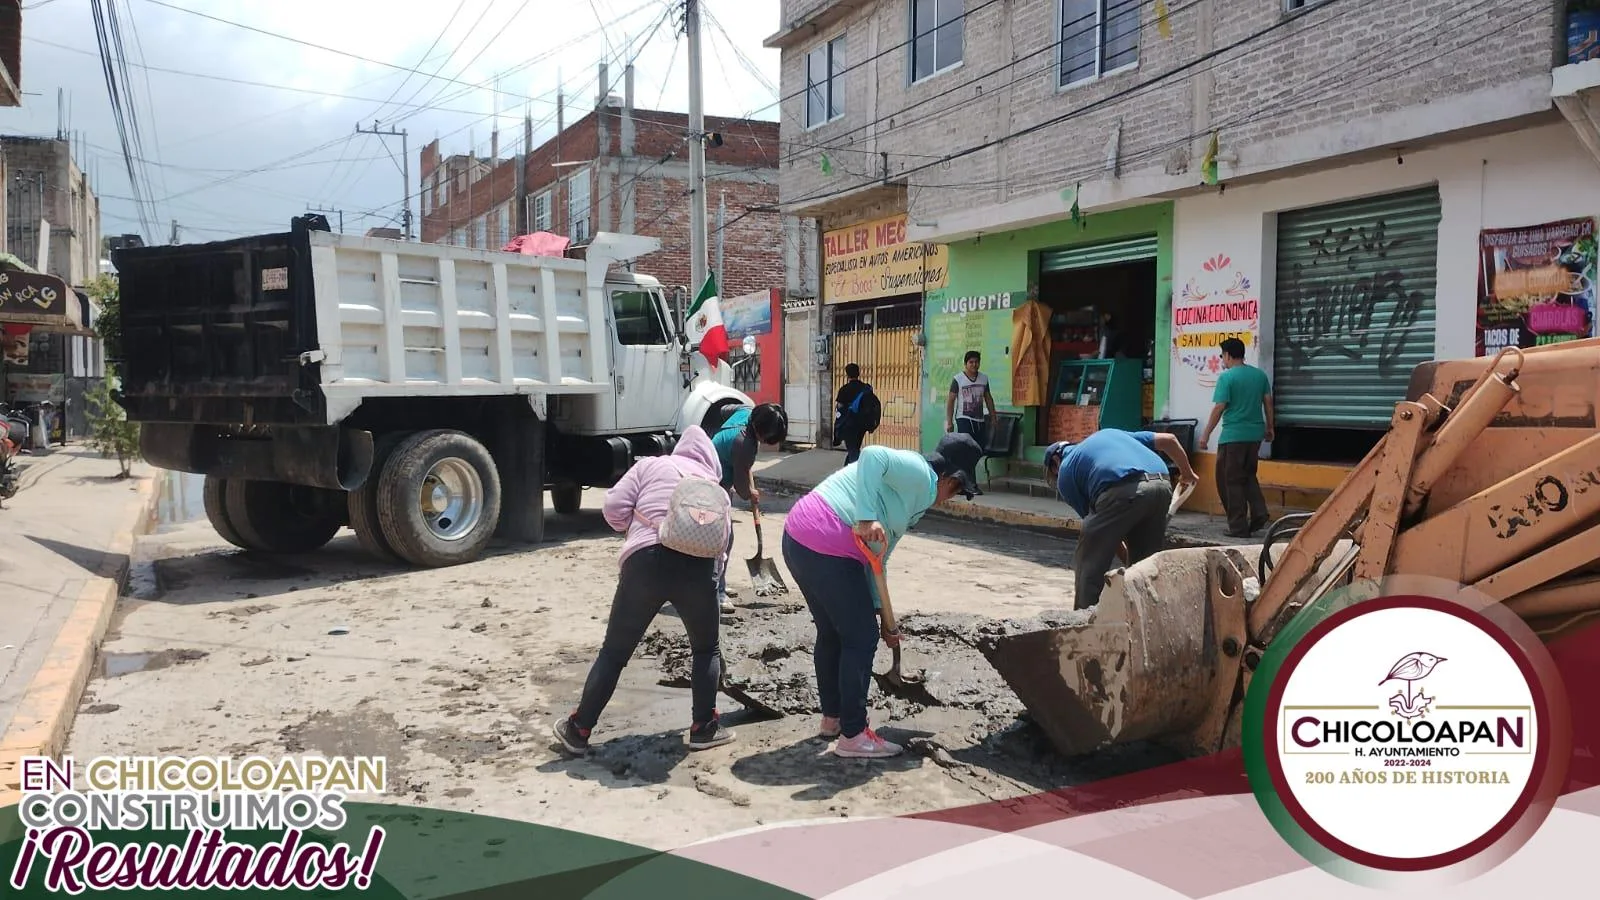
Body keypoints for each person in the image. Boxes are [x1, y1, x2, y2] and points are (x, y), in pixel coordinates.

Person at [781, 433, 984, 759]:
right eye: (958, 491)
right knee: (860, 639)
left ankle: (833, 719)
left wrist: (884, 615)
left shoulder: (910, 500)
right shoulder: (921, 473)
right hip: (826, 541)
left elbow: (878, 558)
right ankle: (854, 735)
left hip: (800, 538)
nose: (950, 499)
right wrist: (864, 517)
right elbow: (872, 455)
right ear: (950, 478)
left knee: (835, 632)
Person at [553, 425, 734, 755]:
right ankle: (703, 728)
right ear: (710, 460)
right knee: (706, 649)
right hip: (698, 571)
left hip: (646, 562)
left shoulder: (650, 465)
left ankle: (578, 730)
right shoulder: (716, 490)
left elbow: (612, 509)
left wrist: (636, 527)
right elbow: (723, 544)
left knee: (614, 652)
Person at [1045, 429, 1199, 611]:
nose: (1056, 477)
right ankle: (1145, 616)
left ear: (1055, 462)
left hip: (1120, 488)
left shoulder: (1066, 470)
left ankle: (1085, 621)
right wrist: (1187, 473)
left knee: (1089, 562)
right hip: (1163, 485)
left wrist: (1123, 554)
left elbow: (1101, 534)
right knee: (1145, 567)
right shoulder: (1114, 434)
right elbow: (1170, 439)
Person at [710, 402, 789, 613]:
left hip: (715, 473)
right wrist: (750, 494)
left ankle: (719, 583)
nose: (769, 443)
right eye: (769, 438)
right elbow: (743, 490)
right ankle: (717, 592)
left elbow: (724, 409)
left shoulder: (745, 411)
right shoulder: (744, 444)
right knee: (723, 540)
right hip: (710, 486)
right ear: (760, 430)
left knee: (721, 539)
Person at [1197, 338, 1275, 538]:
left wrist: (1205, 434)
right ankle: (1259, 512)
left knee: (1228, 480)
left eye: (1222, 355)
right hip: (1254, 435)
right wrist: (1270, 427)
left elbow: (1219, 408)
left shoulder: (1227, 377)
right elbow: (1268, 402)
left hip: (1233, 437)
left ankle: (1238, 527)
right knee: (1248, 475)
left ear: (1228, 355)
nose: (1222, 359)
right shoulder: (1259, 376)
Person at [946, 350, 997, 447]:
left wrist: (993, 417)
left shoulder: (984, 378)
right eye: (971, 362)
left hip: (979, 419)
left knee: (979, 447)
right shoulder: (958, 379)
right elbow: (951, 401)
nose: (974, 364)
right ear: (965, 364)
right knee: (966, 446)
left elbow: (988, 398)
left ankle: (974, 462)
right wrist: (949, 422)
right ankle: (964, 462)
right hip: (963, 418)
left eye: (976, 362)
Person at [833, 363, 874, 465]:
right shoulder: (865, 389)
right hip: (862, 424)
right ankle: (846, 471)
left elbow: (839, 408)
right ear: (859, 373)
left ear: (847, 375)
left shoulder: (844, 389)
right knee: (854, 448)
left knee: (853, 451)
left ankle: (855, 475)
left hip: (849, 425)